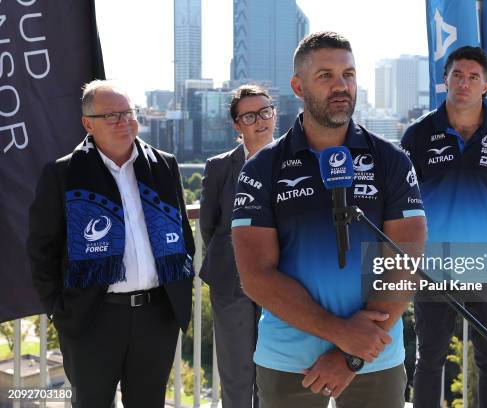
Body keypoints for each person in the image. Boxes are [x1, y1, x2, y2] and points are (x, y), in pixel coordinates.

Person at [231, 31, 427, 408]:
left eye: (349, 74)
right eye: (326, 76)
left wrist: (351, 356)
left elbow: (406, 262)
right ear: (298, 86)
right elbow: (256, 277)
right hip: (289, 362)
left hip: (375, 358)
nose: (341, 86)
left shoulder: (391, 160)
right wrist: (341, 334)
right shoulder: (262, 168)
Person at [27, 80, 195, 408]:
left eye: (128, 112)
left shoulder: (164, 165)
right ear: (88, 124)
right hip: (93, 317)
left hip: (156, 315)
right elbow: (41, 249)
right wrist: (59, 310)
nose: (124, 121)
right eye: (112, 115)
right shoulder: (63, 174)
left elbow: (183, 234)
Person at [401, 46, 487, 407]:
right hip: (434, 269)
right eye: (457, 74)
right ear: (445, 80)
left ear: (486, 85)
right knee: (429, 360)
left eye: (474, 77)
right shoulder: (418, 135)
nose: (465, 83)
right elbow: (405, 204)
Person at [199, 84, 276, 408]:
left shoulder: (296, 161)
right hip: (231, 283)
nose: (261, 120)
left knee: (275, 373)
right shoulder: (219, 167)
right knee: (236, 376)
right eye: (249, 116)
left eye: (265, 111)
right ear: (236, 125)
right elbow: (209, 224)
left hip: (282, 283)